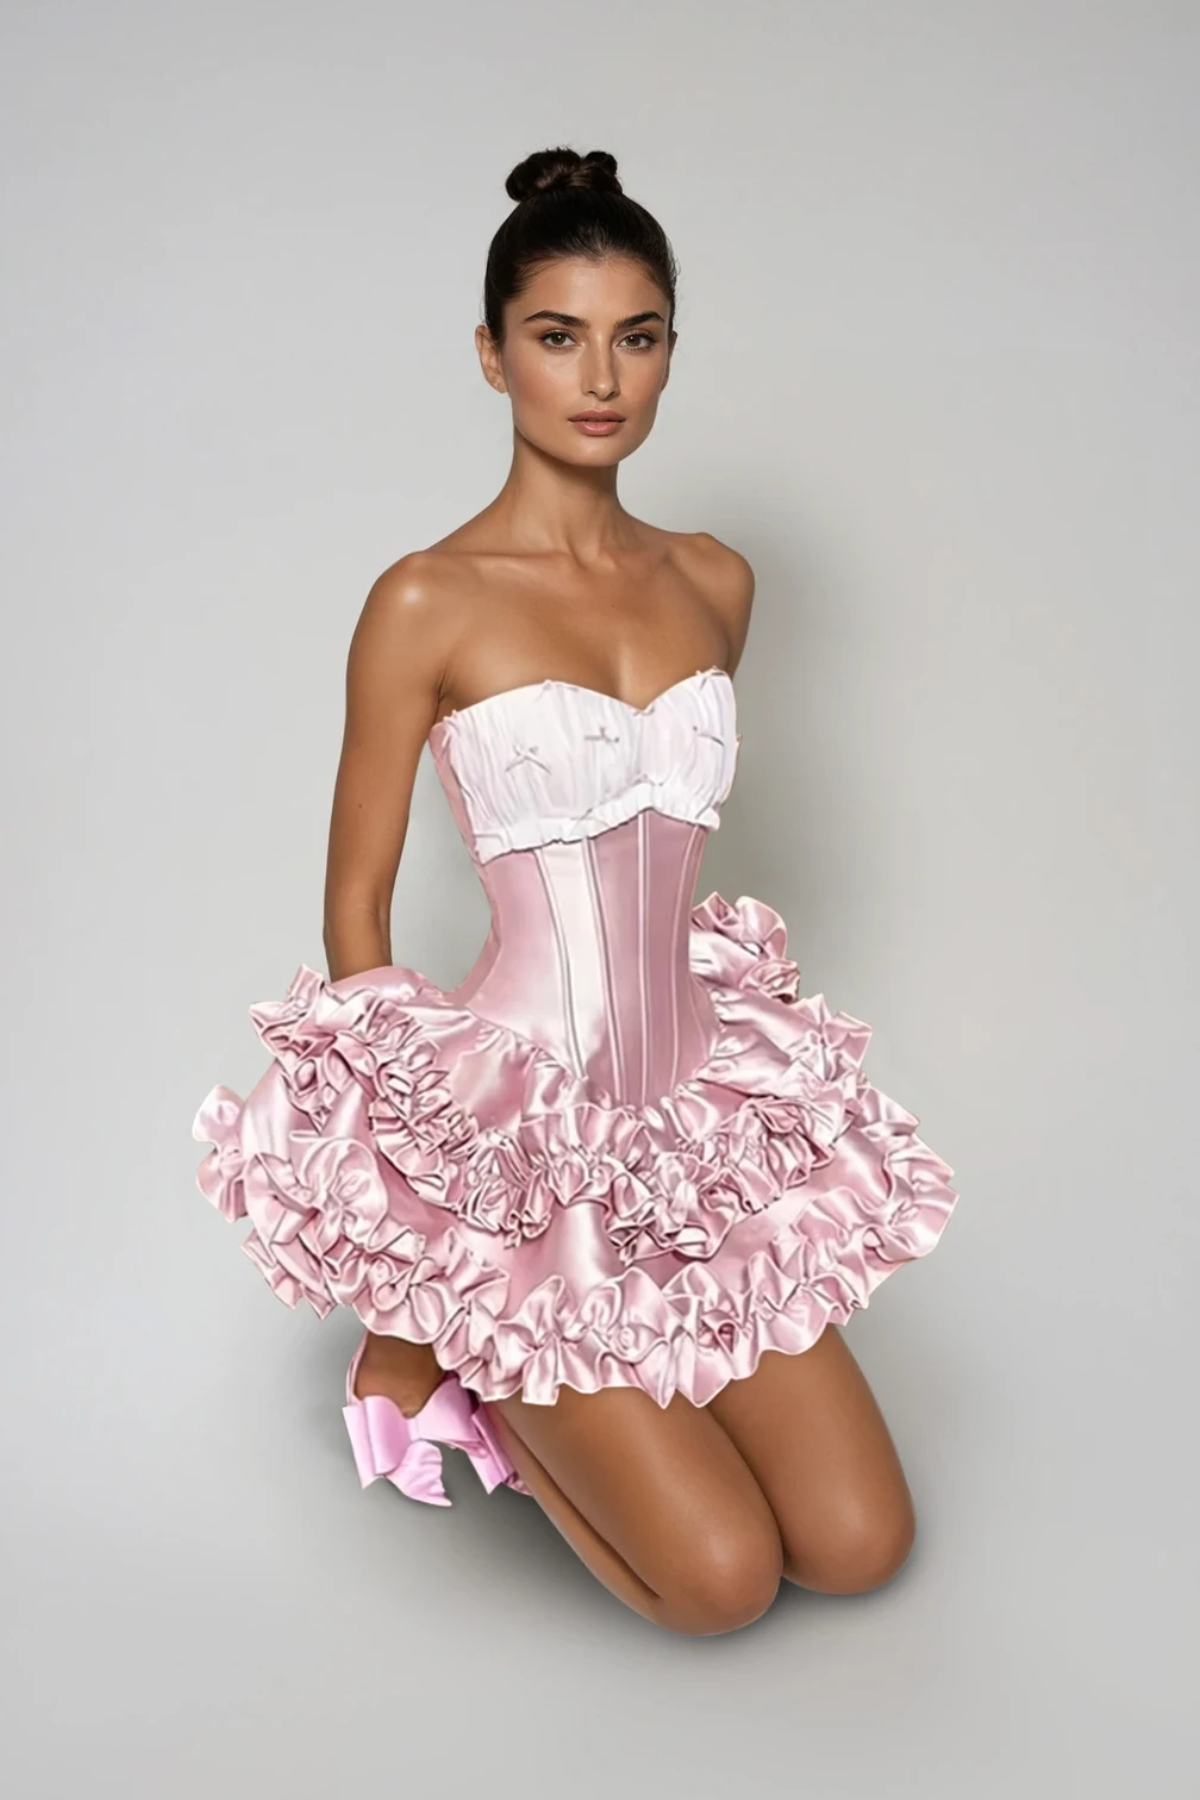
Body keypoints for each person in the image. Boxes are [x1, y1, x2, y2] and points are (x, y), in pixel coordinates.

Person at [192, 144, 960, 1637]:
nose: (600, 378)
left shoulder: (717, 582)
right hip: (525, 1142)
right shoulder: (426, 598)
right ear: (493, 356)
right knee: (720, 1585)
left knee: (860, 1547)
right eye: (557, 336)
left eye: (637, 336)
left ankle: (609, 1362)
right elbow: (356, 921)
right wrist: (417, 1273)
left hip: (696, 1128)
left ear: (670, 349)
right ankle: (485, 1360)